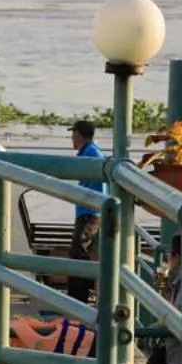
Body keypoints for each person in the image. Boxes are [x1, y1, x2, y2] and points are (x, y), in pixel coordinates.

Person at [67, 118, 103, 302]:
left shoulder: (91, 153)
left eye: (73, 134)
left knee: (79, 251)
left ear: (78, 134)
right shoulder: (89, 152)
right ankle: (80, 294)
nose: (71, 138)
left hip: (90, 212)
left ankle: (77, 298)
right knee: (80, 251)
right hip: (87, 210)